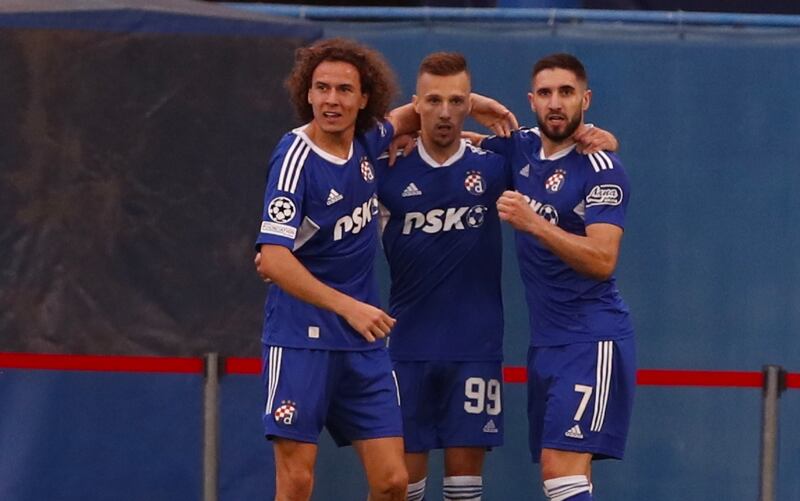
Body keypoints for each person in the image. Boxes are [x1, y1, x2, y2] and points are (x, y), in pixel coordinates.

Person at [253, 38, 516, 501]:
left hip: (363, 344)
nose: (332, 100)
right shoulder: (295, 156)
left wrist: (477, 106)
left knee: (394, 483)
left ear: (364, 98)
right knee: (296, 482)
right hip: (302, 337)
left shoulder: (370, 141)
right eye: (322, 89)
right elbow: (272, 258)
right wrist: (348, 307)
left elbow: (424, 110)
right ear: (306, 94)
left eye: (344, 90)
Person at [485, 53, 635, 500]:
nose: (556, 103)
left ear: (585, 100)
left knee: (560, 472)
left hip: (591, 338)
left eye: (566, 93)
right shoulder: (521, 147)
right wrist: (476, 101)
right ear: (531, 100)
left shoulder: (603, 168)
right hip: (546, 343)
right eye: (546, 93)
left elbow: (603, 259)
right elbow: (443, 119)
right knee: (569, 478)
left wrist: (533, 223)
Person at [375, 52, 509, 501]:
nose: (446, 112)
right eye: (434, 100)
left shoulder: (494, 166)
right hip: (408, 348)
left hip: (475, 348)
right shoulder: (387, 168)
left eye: (457, 100)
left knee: (463, 489)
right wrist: (401, 124)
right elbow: (346, 145)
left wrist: (602, 139)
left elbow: (560, 154)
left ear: (469, 103)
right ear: (417, 104)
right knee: (402, 487)